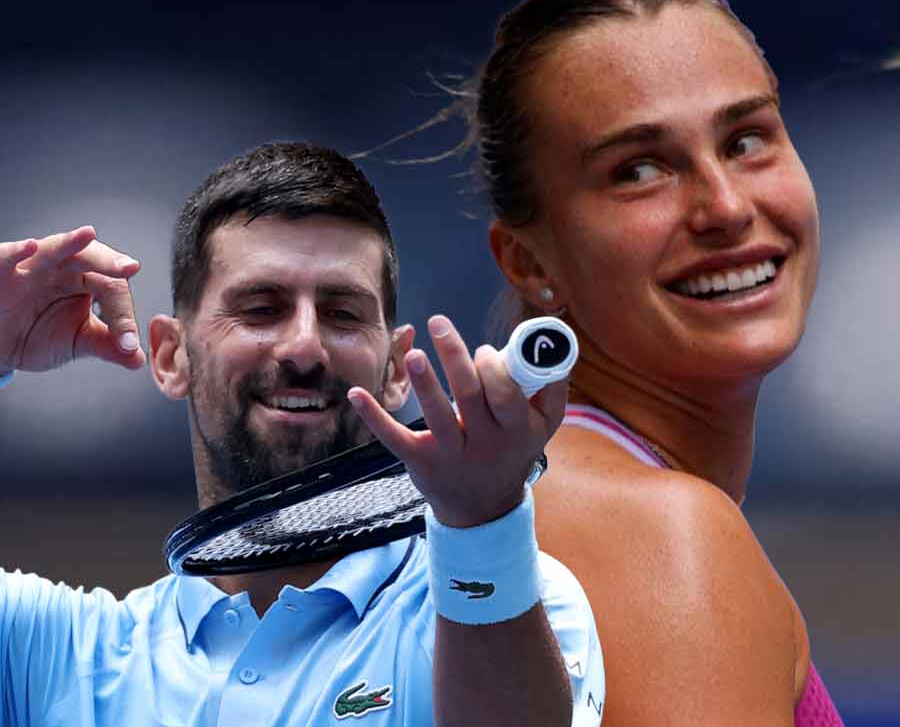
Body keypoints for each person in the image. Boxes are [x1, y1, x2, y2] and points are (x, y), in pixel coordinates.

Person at [0, 142, 604, 727]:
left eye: (343, 313)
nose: (305, 346)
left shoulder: (522, 602)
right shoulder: (56, 656)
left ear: (396, 368)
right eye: (261, 308)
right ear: (170, 355)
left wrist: (481, 522)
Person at [463, 0, 844, 725]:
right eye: (638, 170)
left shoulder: (539, 499)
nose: (727, 207)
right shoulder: (658, 537)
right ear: (530, 262)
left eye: (746, 140)